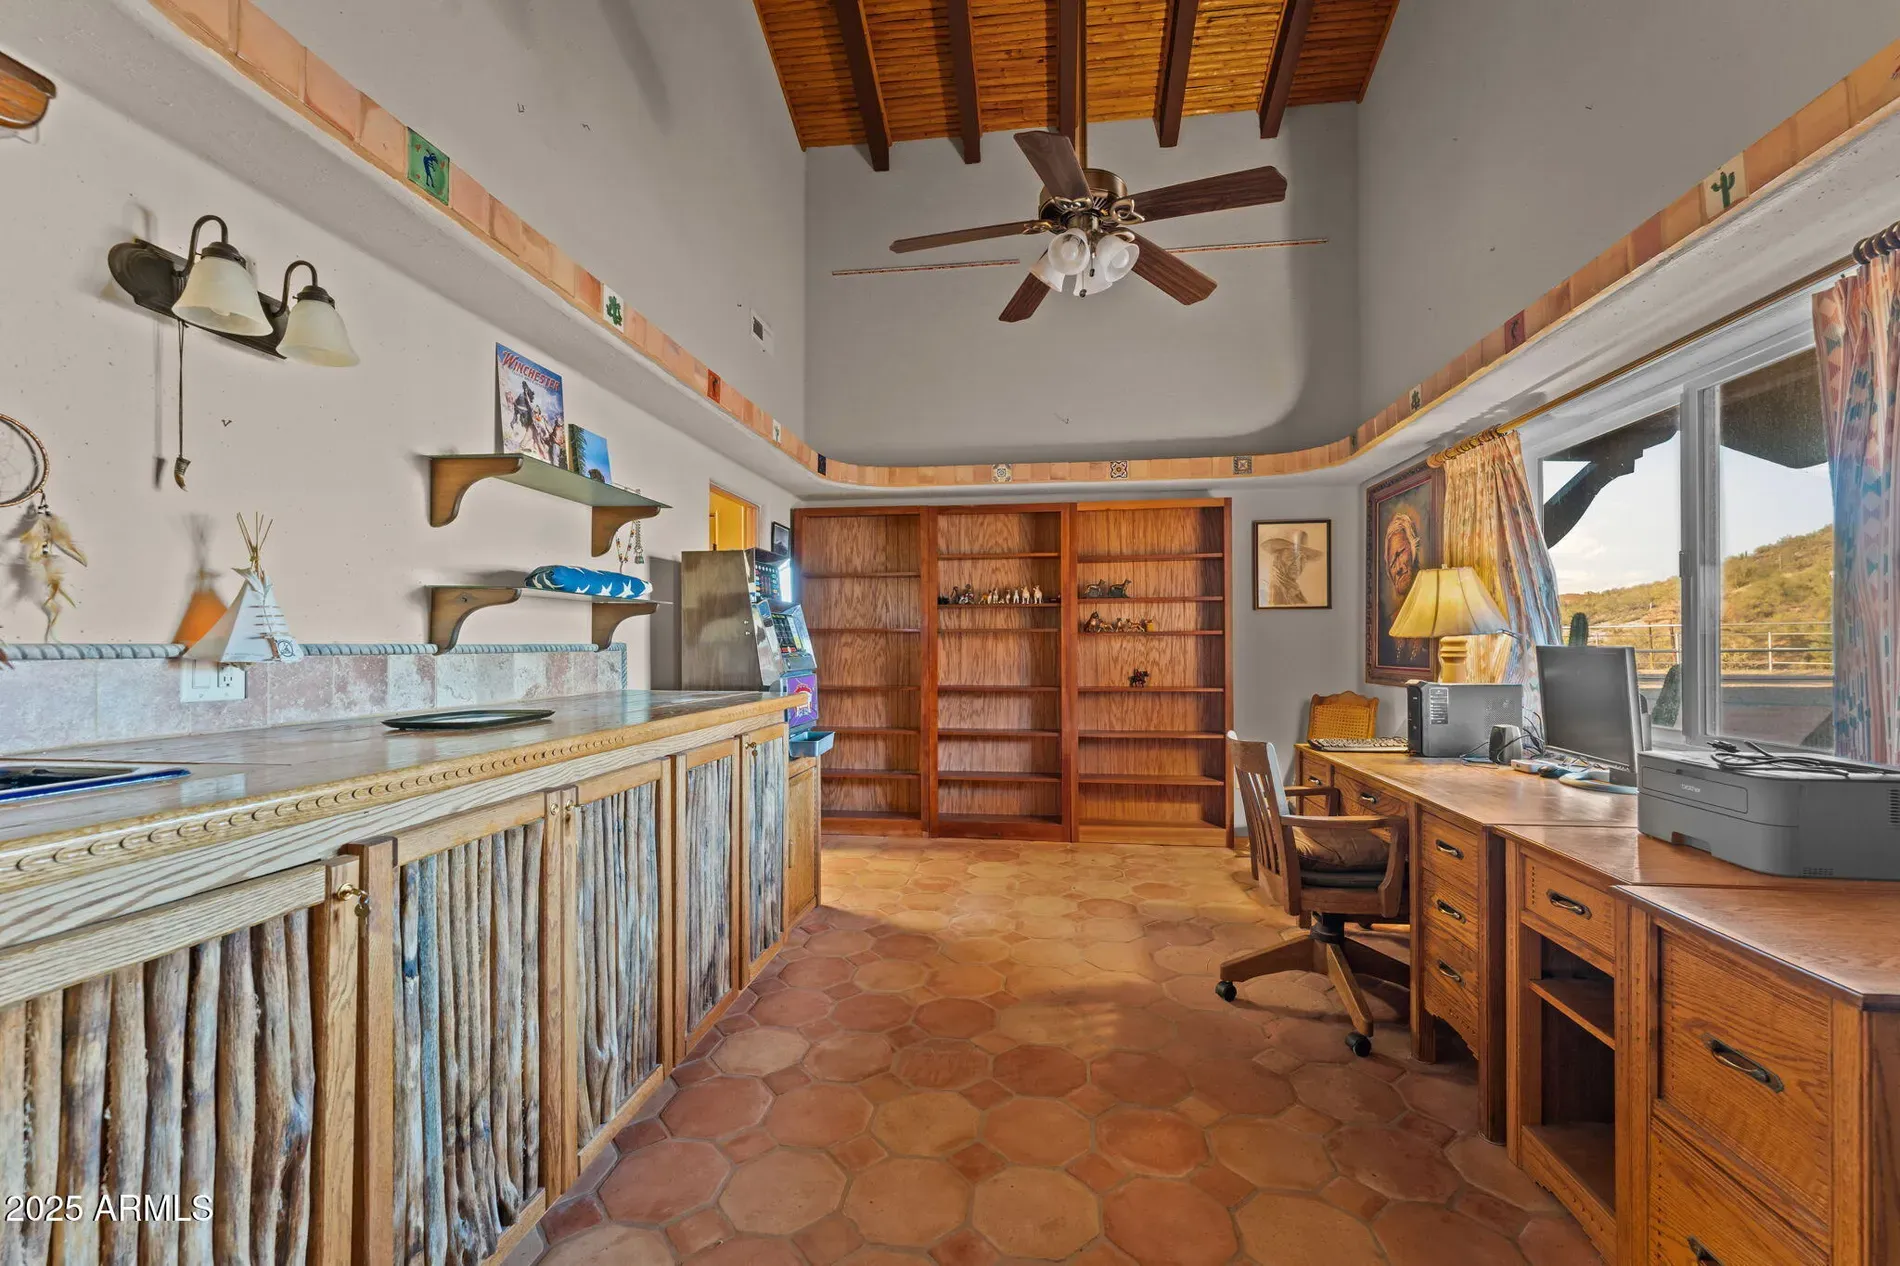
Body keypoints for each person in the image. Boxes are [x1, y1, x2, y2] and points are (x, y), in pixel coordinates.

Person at [1261, 529, 1324, 605]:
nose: (1297, 564)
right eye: (1291, 556)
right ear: (1277, 558)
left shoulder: (1293, 588)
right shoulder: (1275, 590)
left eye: (1302, 559)